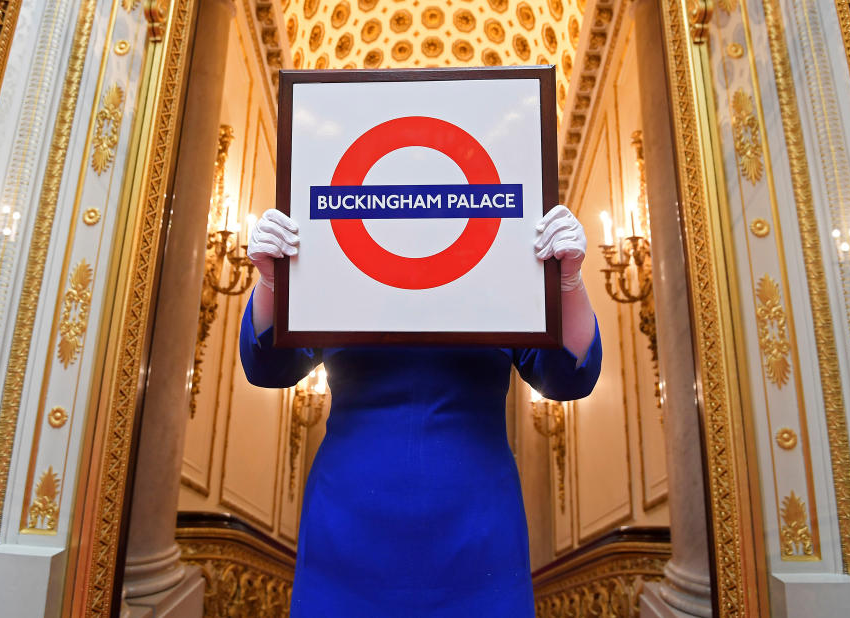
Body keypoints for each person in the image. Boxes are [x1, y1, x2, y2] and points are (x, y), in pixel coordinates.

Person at [240, 204, 602, 617]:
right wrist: (272, 281)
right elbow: (269, 366)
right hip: (347, 535)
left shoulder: (500, 259)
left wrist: (569, 282)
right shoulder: (341, 252)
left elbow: (569, 377)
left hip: (478, 536)